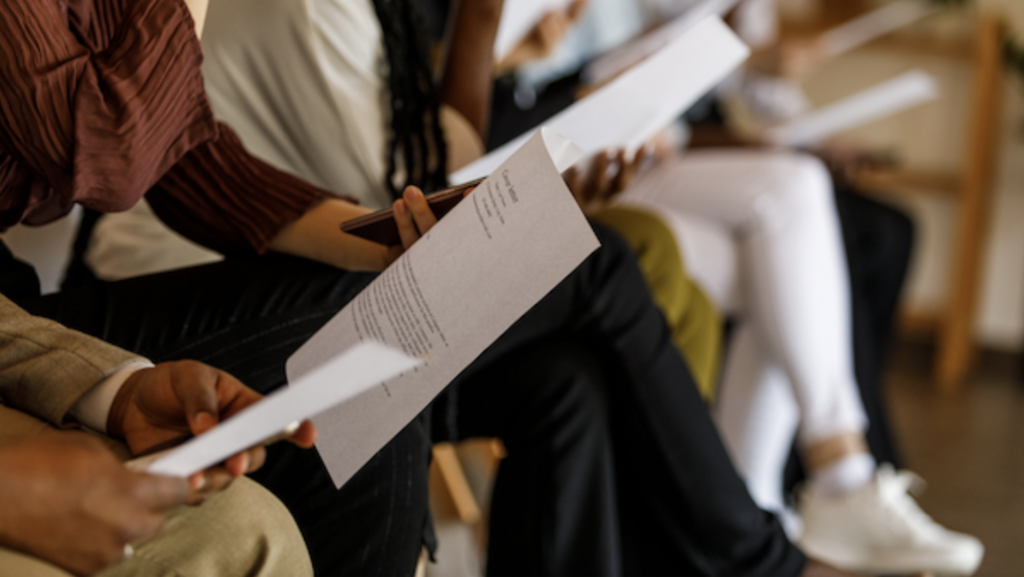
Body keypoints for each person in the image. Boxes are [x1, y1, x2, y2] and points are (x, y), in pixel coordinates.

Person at [68, 0, 846, 575]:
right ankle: (765, 562)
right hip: (171, 295)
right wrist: (479, 33)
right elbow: (414, 196)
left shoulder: (392, 14)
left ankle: (759, 549)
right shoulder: (313, 9)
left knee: (562, 383)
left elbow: (400, 212)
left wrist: (523, 125)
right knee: (599, 260)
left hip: (307, 268)